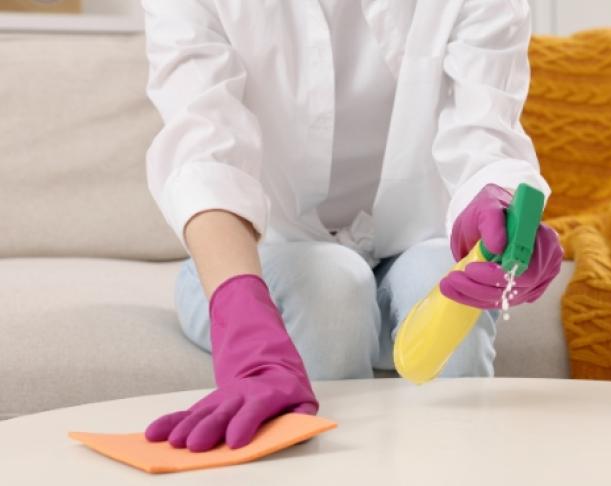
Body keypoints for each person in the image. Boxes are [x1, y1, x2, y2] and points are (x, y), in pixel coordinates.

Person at [140, 0, 563, 453]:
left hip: (417, 236)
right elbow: (204, 153)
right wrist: (241, 316)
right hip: (271, 251)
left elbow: (485, 135)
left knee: (441, 280)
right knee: (331, 288)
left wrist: (499, 210)